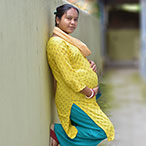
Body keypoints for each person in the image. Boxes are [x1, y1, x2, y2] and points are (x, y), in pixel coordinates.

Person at [47, 4, 115, 146]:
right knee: (102, 130)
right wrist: (89, 92)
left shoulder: (67, 41)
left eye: (75, 19)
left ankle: (62, 138)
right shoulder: (56, 44)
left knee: (102, 127)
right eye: (68, 18)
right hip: (73, 97)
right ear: (58, 19)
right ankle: (58, 133)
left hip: (82, 97)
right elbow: (68, 75)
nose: (73, 22)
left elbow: (75, 62)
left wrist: (89, 64)